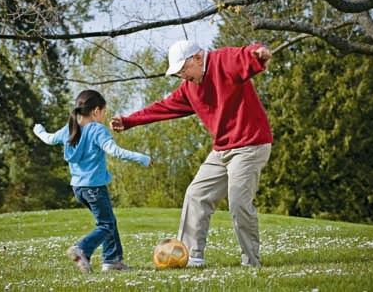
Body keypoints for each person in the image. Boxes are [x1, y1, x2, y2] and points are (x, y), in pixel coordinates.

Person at [110, 40, 272, 268]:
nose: (182, 76)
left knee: (238, 201)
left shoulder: (222, 61)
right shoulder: (189, 88)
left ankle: (251, 262)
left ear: (197, 58)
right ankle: (190, 257)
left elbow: (246, 55)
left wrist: (259, 53)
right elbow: (162, 107)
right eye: (178, 73)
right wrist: (129, 121)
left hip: (250, 144)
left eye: (183, 69)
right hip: (222, 148)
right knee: (196, 194)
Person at [33, 89, 151, 273]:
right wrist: (141, 158)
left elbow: (48, 139)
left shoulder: (69, 129)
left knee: (108, 221)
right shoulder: (97, 130)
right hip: (95, 188)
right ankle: (82, 248)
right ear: (96, 111)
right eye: (104, 112)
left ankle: (113, 261)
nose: (104, 116)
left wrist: (39, 130)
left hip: (78, 188)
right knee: (106, 224)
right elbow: (115, 151)